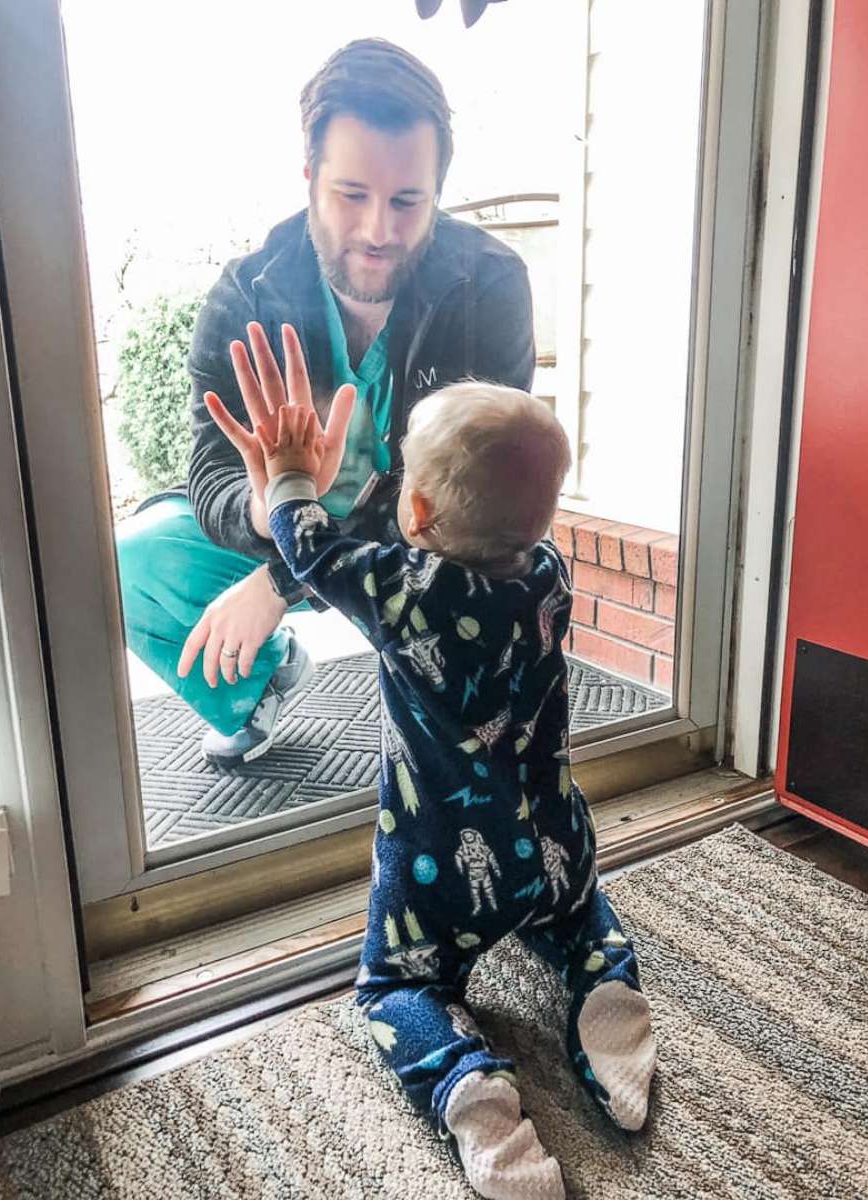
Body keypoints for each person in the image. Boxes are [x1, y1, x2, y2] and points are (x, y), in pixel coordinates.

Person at [206, 329, 657, 1200]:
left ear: (414, 517)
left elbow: (313, 548)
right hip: (558, 849)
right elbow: (466, 527)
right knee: (582, 918)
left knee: (390, 985)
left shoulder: (406, 596)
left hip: (441, 871)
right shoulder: (549, 577)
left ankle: (471, 1090)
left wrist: (294, 472)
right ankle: (606, 993)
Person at [116, 37, 535, 767]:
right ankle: (263, 680)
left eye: (409, 201)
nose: (379, 231)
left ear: (439, 188)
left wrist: (285, 579)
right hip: (286, 525)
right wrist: (276, 493)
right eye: (351, 196)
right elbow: (212, 478)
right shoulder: (244, 292)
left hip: (424, 539)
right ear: (309, 176)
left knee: (503, 569)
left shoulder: (490, 286)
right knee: (134, 561)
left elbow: (479, 490)